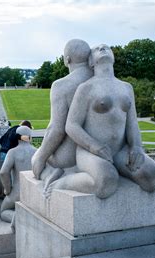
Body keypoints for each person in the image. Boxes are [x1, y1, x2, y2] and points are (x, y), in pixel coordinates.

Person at [45, 44, 155, 199]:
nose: (102, 48)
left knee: (154, 179)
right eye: (96, 49)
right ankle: (63, 182)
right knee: (106, 182)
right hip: (89, 152)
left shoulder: (126, 87)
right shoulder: (86, 88)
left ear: (113, 58)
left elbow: (132, 124)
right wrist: (94, 146)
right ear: (91, 62)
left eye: (106, 47)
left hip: (120, 151)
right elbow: (71, 125)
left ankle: (120, 168)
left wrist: (136, 147)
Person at [31, 39, 93, 193]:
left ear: (67, 59)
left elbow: (57, 129)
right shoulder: (101, 80)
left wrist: (41, 157)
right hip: (100, 151)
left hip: (70, 157)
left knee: (35, 158)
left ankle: (50, 175)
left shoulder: (62, 85)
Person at [0, 126, 37, 232]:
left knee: (3, 211)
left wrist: (7, 189)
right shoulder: (37, 151)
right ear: (30, 137)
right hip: (33, 193)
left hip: (17, 192)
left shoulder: (13, 152)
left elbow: (3, 172)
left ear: (17, 138)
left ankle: (17, 216)